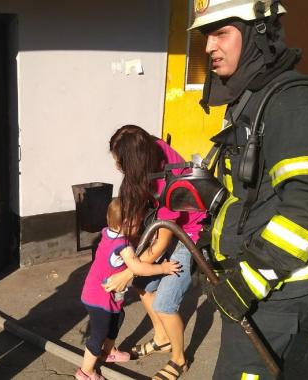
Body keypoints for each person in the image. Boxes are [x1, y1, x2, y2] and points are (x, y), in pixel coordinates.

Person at [189, 1, 308, 378]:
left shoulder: (294, 102)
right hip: (258, 281)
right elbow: (251, 193)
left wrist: (248, 279)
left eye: (221, 33)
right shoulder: (253, 97)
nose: (209, 47)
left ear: (257, 34)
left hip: (279, 288)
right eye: (207, 35)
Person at [102, 124, 206, 380]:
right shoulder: (150, 150)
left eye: (120, 162)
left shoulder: (172, 183)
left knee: (165, 303)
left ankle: (180, 359)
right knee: (144, 283)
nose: (118, 166)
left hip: (189, 233)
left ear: (136, 161)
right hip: (168, 223)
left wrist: (127, 272)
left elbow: (161, 243)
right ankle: (162, 339)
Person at [77, 198, 182, 380]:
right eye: (137, 224)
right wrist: (163, 268)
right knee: (99, 333)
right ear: (125, 224)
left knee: (118, 318)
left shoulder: (110, 233)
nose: (140, 226)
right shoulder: (122, 246)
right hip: (98, 297)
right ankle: (86, 372)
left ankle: (108, 352)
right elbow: (138, 268)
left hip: (106, 295)